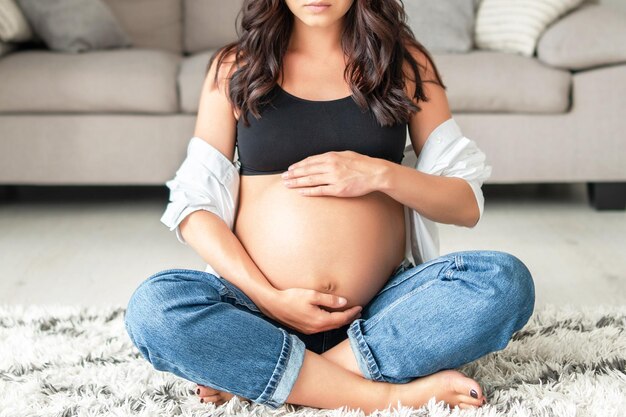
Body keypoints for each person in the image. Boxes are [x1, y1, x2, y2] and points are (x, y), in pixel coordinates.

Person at [124, 0, 536, 413]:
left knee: (504, 282)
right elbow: (194, 210)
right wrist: (268, 297)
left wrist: (379, 174)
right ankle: (387, 396)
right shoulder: (237, 66)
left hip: (381, 312)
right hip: (257, 312)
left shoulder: (404, 65)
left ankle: (273, 376)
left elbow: (465, 204)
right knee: (153, 309)